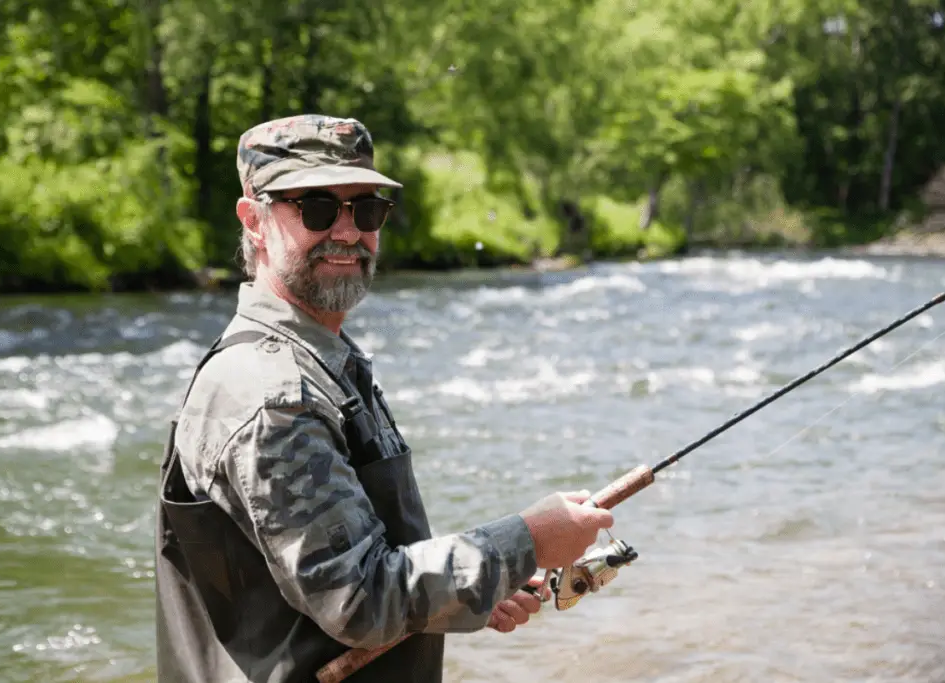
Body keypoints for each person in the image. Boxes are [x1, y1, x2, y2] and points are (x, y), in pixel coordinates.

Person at [154, 114, 617, 683]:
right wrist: (526, 542)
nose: (347, 232)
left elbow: (357, 564)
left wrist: (476, 587)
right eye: (317, 208)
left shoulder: (322, 360)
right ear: (255, 221)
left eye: (366, 209)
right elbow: (360, 598)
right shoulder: (274, 395)